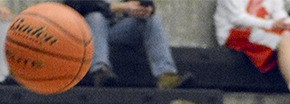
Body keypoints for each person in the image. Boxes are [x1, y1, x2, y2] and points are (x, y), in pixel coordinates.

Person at [214, 0, 290, 104]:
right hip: (235, 33)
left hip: (265, 28)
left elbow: (279, 14)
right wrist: (271, 24)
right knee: (285, 37)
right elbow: (237, 19)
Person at [64, 0, 193, 88]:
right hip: (86, 31)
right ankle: (100, 70)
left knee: (153, 20)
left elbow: (146, 4)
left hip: (117, 30)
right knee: (96, 17)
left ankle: (166, 75)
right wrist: (122, 7)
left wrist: (144, 9)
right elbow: (78, 4)